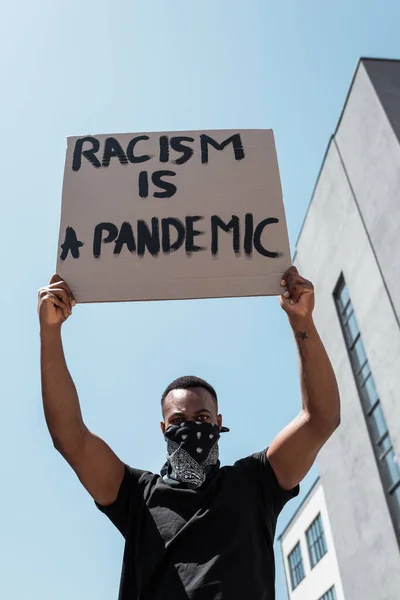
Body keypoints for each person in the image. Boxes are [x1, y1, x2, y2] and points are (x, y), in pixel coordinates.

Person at [38, 266, 340, 600]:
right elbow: (71, 437)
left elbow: (320, 419)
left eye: (202, 417)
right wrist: (50, 333)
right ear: (164, 429)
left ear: (218, 421)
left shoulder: (255, 483)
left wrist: (302, 323)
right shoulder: (137, 497)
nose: (192, 426)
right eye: (179, 420)